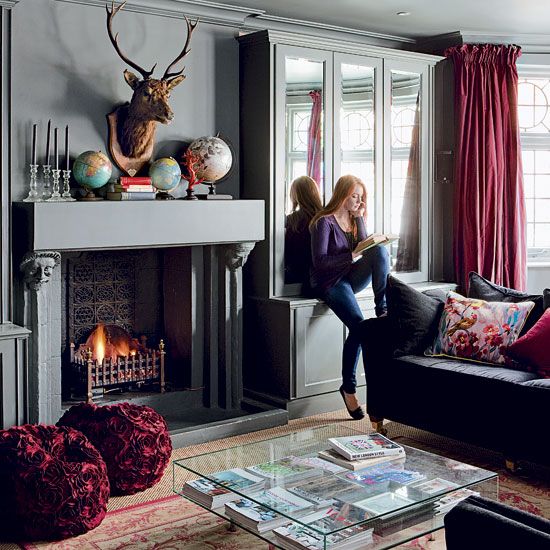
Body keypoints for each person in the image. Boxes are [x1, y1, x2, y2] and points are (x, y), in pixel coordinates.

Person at [309, 174, 390, 419]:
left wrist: (360, 219)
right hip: (329, 281)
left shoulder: (355, 219)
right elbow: (320, 263)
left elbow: (366, 249)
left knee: (380, 251)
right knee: (360, 327)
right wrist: (352, 253)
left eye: (360, 197)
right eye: (353, 196)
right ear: (342, 195)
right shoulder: (324, 222)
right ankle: (349, 388)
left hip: (349, 276)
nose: (357, 200)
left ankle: (382, 308)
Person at [284, 176, 323, 291]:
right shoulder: (325, 218)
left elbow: (287, 253)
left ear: (295, 195)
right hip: (320, 277)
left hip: (299, 276)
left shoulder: (292, 220)